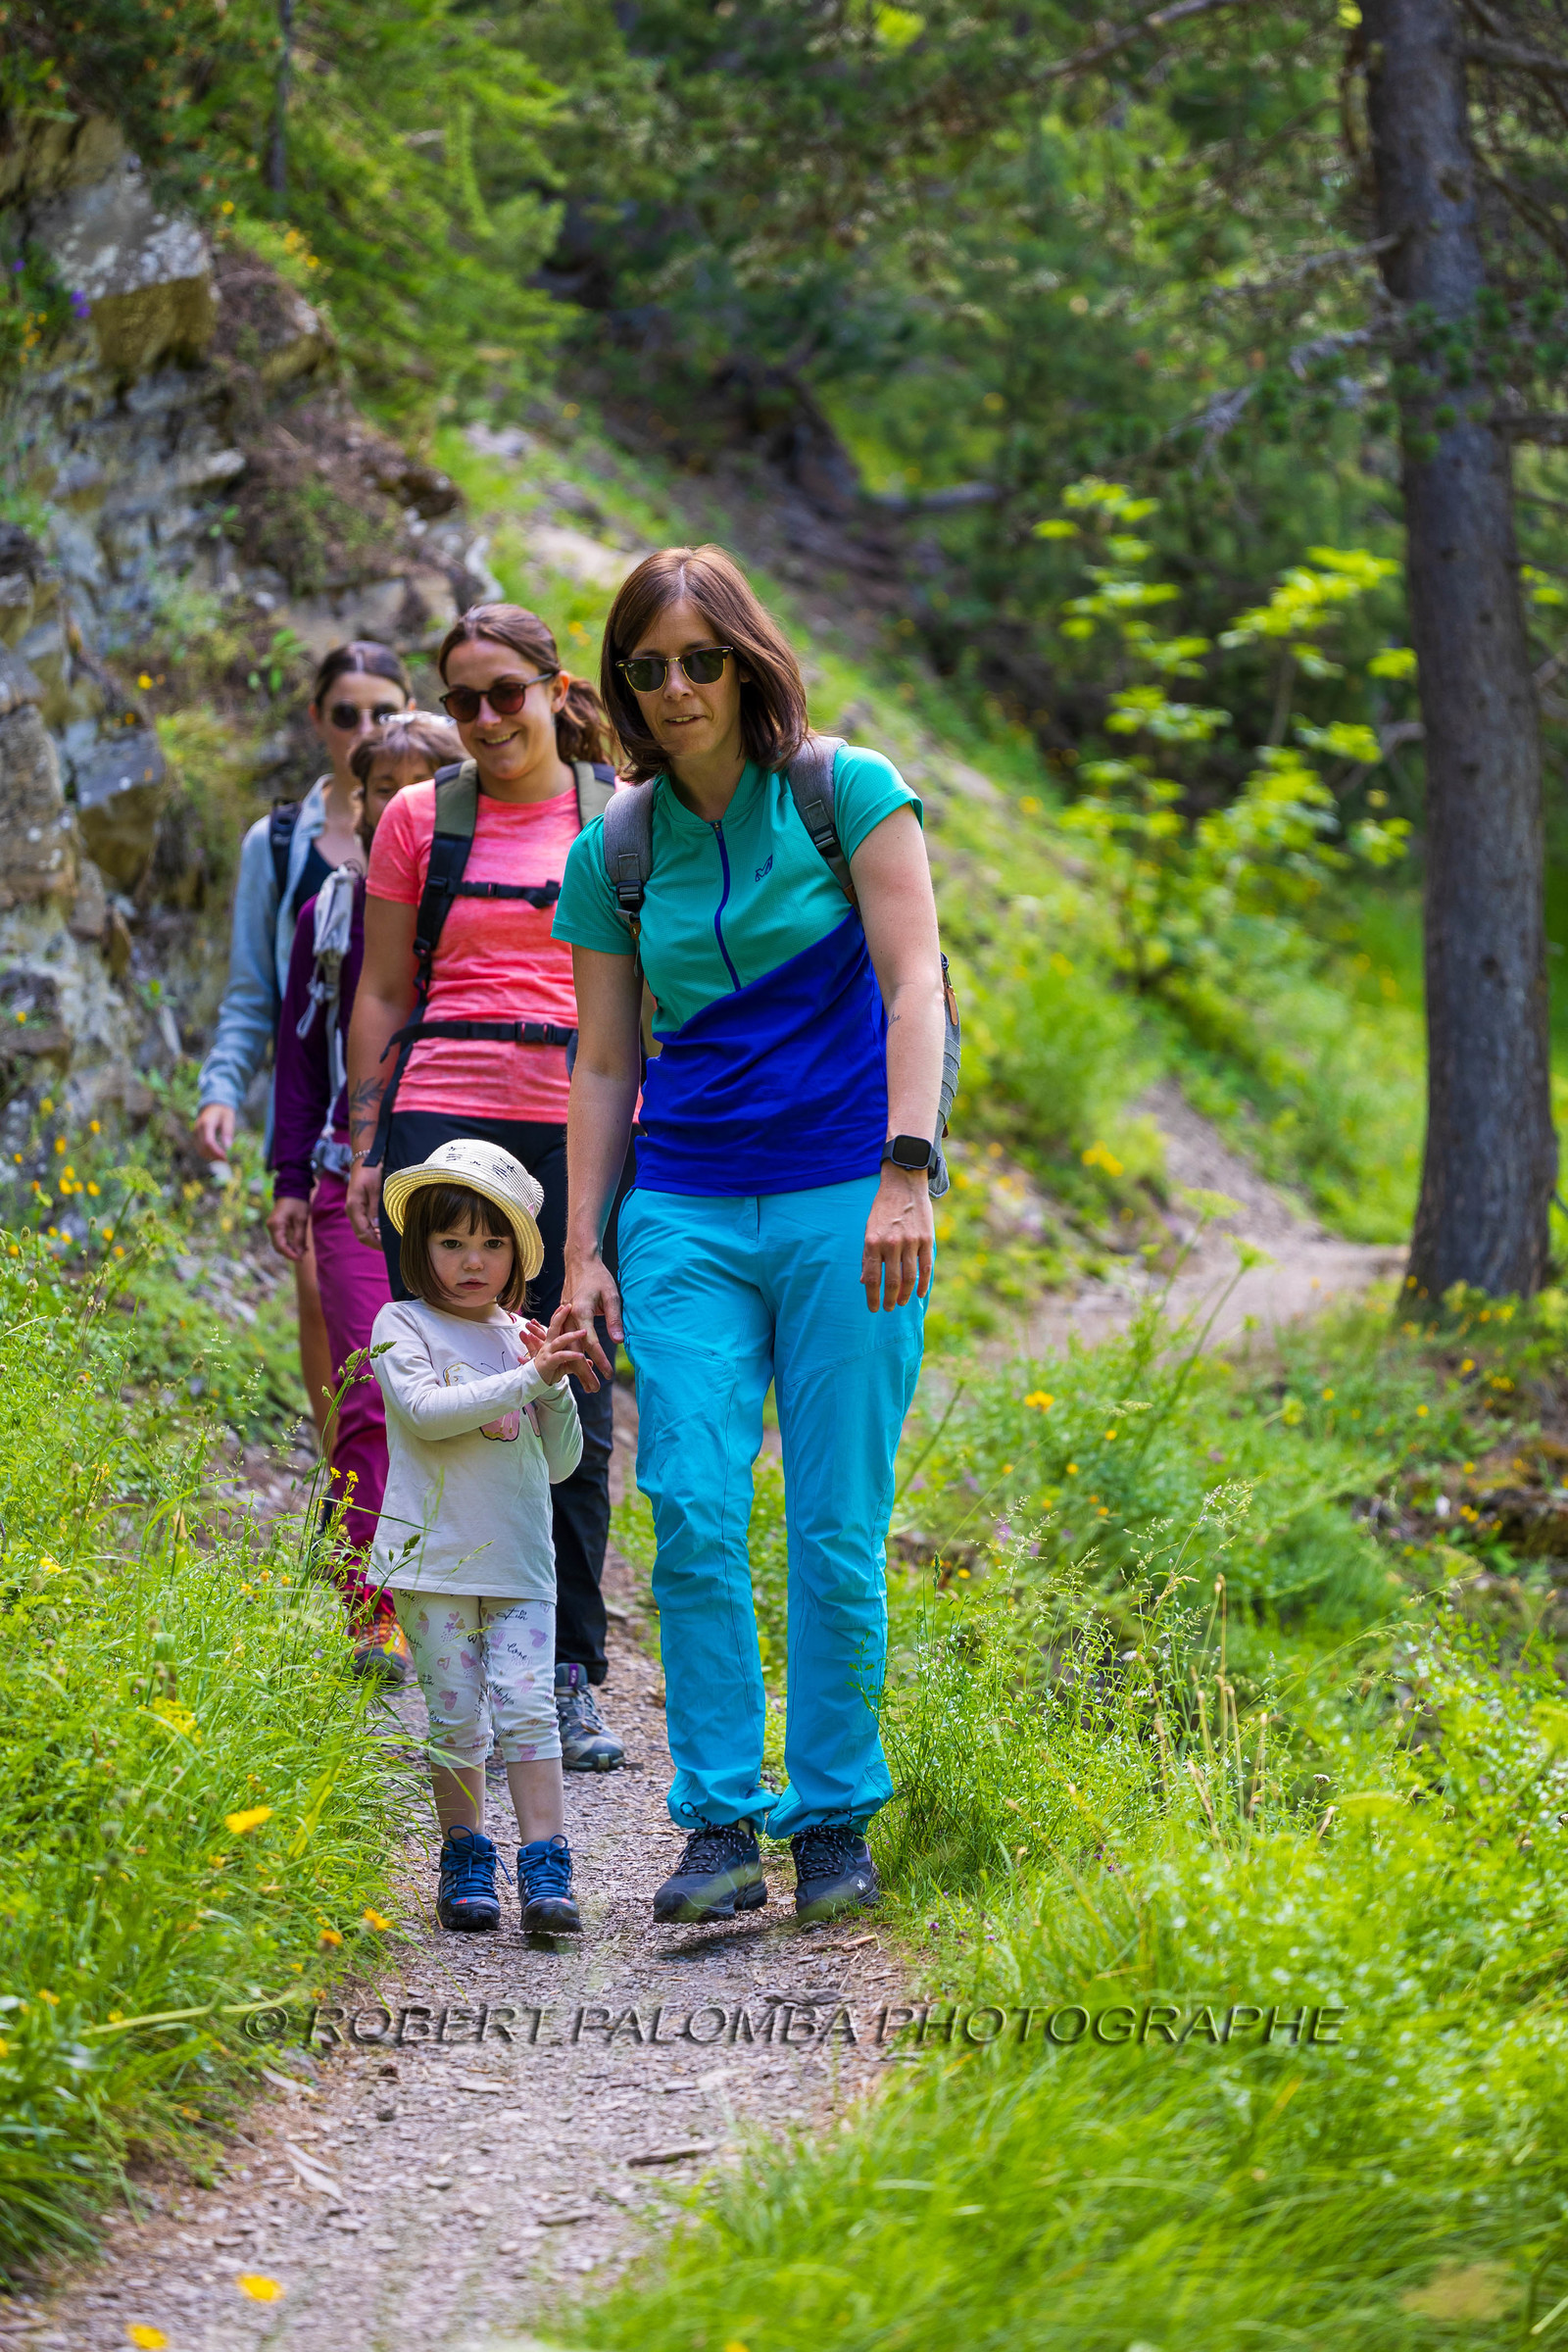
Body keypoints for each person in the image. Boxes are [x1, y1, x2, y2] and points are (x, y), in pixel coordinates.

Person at [555, 545, 946, 1926]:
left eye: (700, 660)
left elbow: (914, 984)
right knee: (694, 1507)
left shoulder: (847, 793)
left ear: (746, 661)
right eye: (648, 667)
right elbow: (605, 1063)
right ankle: (718, 1822)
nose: (676, 688)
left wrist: (908, 1169)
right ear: (624, 685)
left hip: (850, 1194)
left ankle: (831, 1818)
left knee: (836, 1523)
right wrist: (582, 1252)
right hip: (685, 1207)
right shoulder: (616, 851)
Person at [344, 605, 629, 1775]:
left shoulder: (621, 813)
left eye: (506, 693)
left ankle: (567, 1670)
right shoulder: (418, 817)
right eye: (462, 700)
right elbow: (380, 989)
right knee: (444, 1376)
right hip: (441, 1121)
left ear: (555, 689)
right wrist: (367, 1141)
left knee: (573, 1378)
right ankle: (452, 1645)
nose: (485, 719)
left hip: (577, 1122)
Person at [268, 711, 464, 1680]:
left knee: (466, 1395)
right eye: (381, 787)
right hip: (350, 1174)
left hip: (471, 1174)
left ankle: (465, 1599)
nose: (397, 804)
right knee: (367, 1386)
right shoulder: (332, 913)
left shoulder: (489, 905)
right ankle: (370, 1609)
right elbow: (301, 1057)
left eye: (419, 784)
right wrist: (288, 1177)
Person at [368, 1140, 596, 1935]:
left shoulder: (520, 1336)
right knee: (458, 1718)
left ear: (517, 1256)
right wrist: (532, 1377)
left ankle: (546, 1865)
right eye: (452, 1241)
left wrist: (554, 1387)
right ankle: (465, 1857)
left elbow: (561, 1464)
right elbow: (426, 1413)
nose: (473, 1261)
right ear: (419, 1246)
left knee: (529, 1707)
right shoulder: (402, 1323)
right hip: (432, 1564)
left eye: (493, 1243)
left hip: (520, 1562)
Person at [195, 641, 413, 1437]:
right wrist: (222, 1089)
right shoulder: (281, 843)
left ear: (410, 711)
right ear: (318, 718)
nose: (364, 728)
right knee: (323, 1297)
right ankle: (342, 1474)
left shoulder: (434, 822)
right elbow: (255, 990)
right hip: (317, 1108)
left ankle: (392, 1479)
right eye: (346, 712)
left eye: (383, 711)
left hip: (414, 1105)